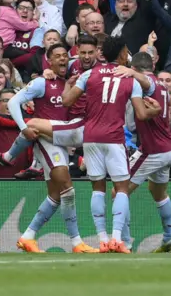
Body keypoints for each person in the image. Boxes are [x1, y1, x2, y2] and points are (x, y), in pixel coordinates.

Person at [62, 36, 161, 253]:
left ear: (102, 53)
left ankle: (102, 240)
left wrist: (68, 85)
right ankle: (117, 239)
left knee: (97, 188)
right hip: (114, 138)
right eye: (126, 51)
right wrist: (156, 111)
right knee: (121, 189)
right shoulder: (130, 80)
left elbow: (67, 101)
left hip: (91, 137)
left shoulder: (89, 75)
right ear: (122, 53)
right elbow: (142, 114)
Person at [1, 43, 98, 254]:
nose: (63, 59)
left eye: (65, 55)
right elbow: (13, 103)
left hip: (62, 141)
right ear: (49, 61)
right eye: (57, 57)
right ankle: (76, 242)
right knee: (68, 189)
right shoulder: (42, 82)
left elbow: (84, 61)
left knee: (55, 196)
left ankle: (27, 237)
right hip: (46, 141)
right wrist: (24, 128)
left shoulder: (72, 77)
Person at [121, 52, 171, 253]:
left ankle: (124, 242)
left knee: (119, 191)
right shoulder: (163, 87)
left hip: (152, 151)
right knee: (158, 193)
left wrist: (129, 72)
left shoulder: (151, 83)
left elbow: (146, 82)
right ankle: (169, 238)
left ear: (136, 69)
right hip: (168, 149)